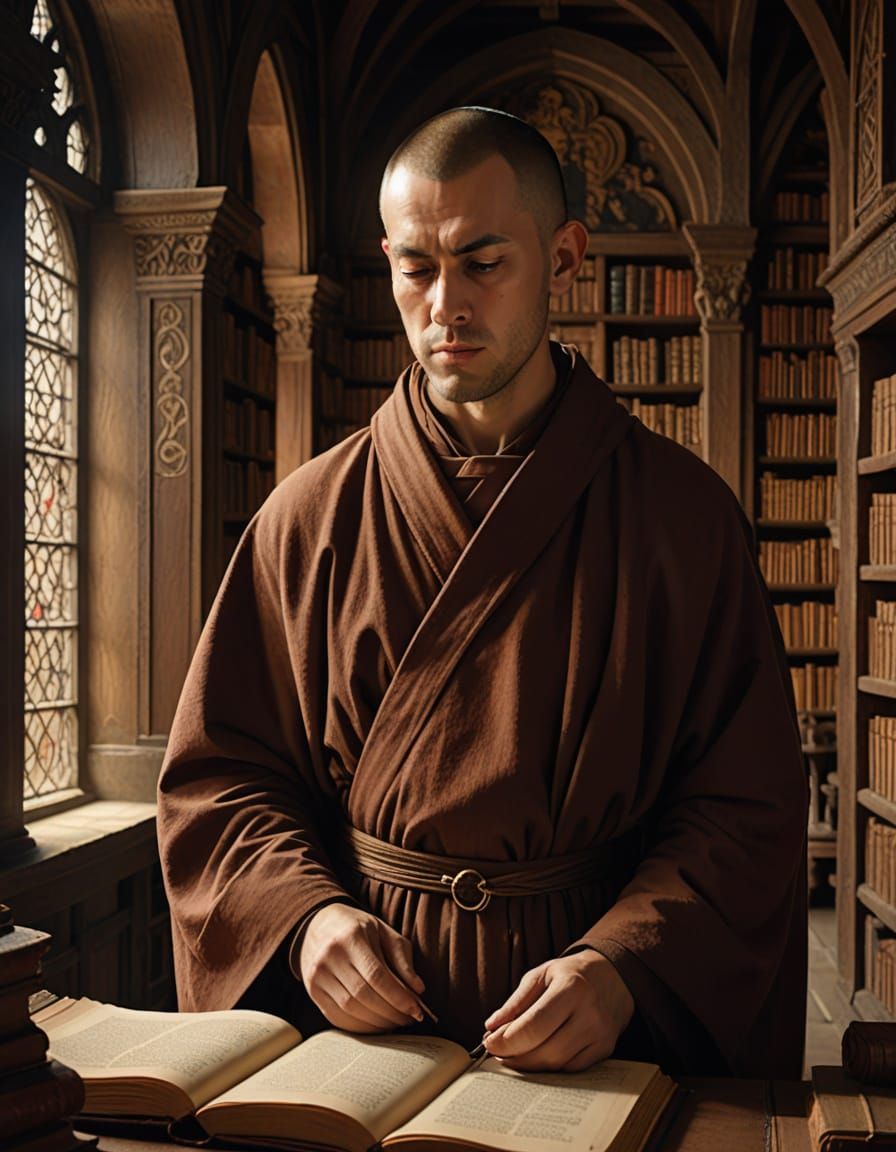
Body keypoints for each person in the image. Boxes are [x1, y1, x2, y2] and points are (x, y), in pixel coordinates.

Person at [157, 106, 808, 1078]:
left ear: (563, 258)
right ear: (387, 263)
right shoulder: (306, 518)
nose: (444, 305)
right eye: (416, 267)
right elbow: (219, 782)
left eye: (482, 262)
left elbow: (745, 801)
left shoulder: (682, 517)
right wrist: (305, 919)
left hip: (601, 1034)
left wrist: (624, 965)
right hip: (359, 1037)